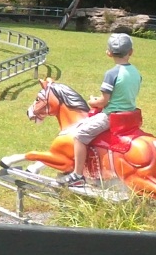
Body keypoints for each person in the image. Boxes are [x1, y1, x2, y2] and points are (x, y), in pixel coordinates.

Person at [57, 33, 142, 188]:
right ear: (131, 52)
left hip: (111, 116)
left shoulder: (112, 74)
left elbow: (104, 101)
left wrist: (93, 101)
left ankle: (77, 175)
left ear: (108, 53)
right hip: (130, 115)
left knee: (79, 135)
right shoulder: (136, 72)